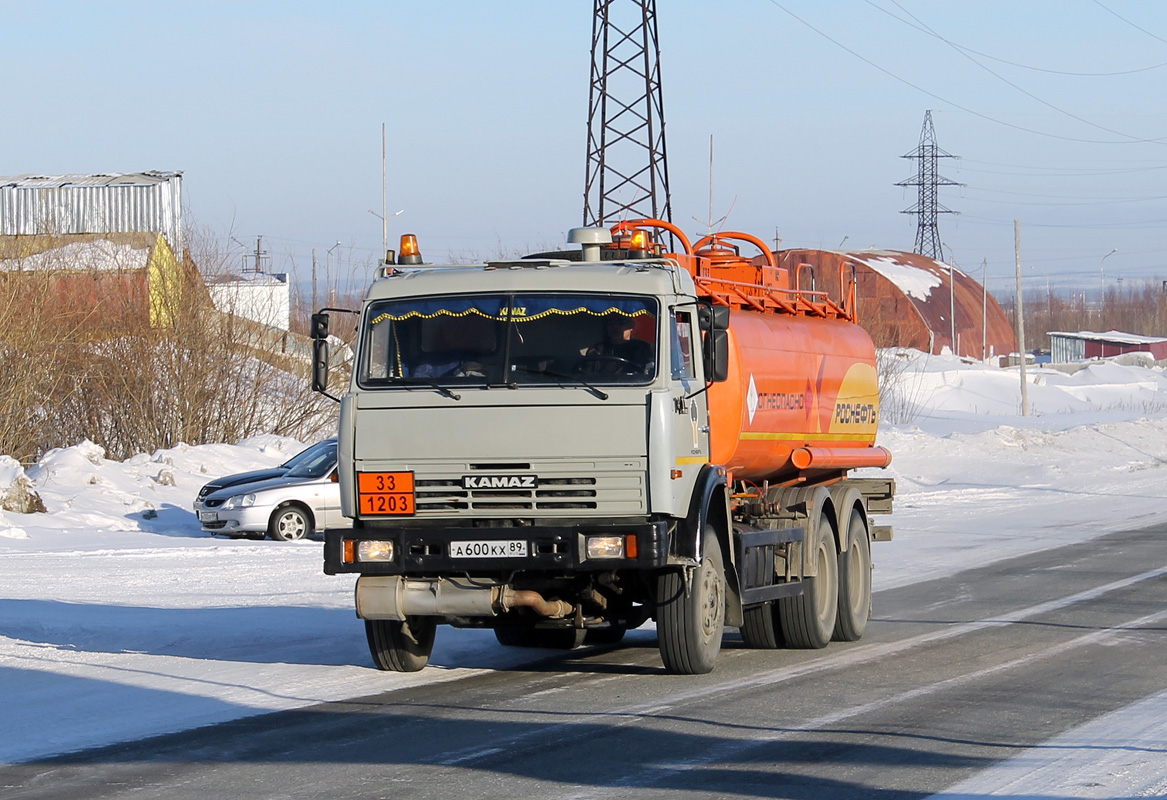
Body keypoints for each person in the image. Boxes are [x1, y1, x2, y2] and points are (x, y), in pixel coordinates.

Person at [579, 313, 654, 374]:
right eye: (610, 322)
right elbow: (588, 377)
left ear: (631, 325)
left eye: (622, 322)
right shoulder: (596, 350)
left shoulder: (644, 348)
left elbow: (647, 373)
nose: (615, 326)